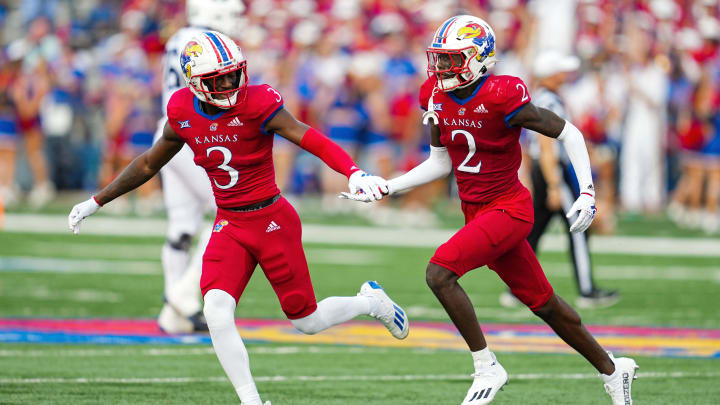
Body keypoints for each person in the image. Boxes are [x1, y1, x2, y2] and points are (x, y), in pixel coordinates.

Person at [69, 30, 409, 405]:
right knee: (215, 309)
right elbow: (150, 161)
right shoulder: (182, 109)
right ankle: (251, 401)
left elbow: (306, 136)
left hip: (271, 220)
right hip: (230, 222)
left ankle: (370, 302)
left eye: (234, 74)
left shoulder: (258, 101)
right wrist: (96, 201)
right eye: (220, 78)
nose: (230, 83)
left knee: (306, 321)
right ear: (196, 83)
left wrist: (354, 172)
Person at [343, 15, 637, 405]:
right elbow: (440, 163)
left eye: (451, 59)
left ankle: (486, 365)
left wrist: (586, 191)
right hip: (476, 210)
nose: (441, 68)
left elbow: (569, 133)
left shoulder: (503, 94)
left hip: (509, 208)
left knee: (439, 273)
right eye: (440, 59)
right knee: (545, 304)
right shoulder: (433, 94)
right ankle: (614, 370)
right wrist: (388, 187)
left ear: (479, 58)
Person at [151, 0, 246, 334]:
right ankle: (183, 293)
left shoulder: (178, 37)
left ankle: (173, 313)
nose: (237, 21)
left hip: (168, 130)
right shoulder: (205, 43)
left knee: (182, 227)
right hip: (193, 133)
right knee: (232, 210)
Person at [499, 50, 619, 309]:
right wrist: (554, 183)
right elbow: (546, 143)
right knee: (578, 227)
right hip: (552, 170)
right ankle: (587, 290)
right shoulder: (548, 101)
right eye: (561, 70)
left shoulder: (539, 98)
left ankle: (516, 289)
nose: (565, 74)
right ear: (551, 74)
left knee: (534, 231)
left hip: (544, 170)